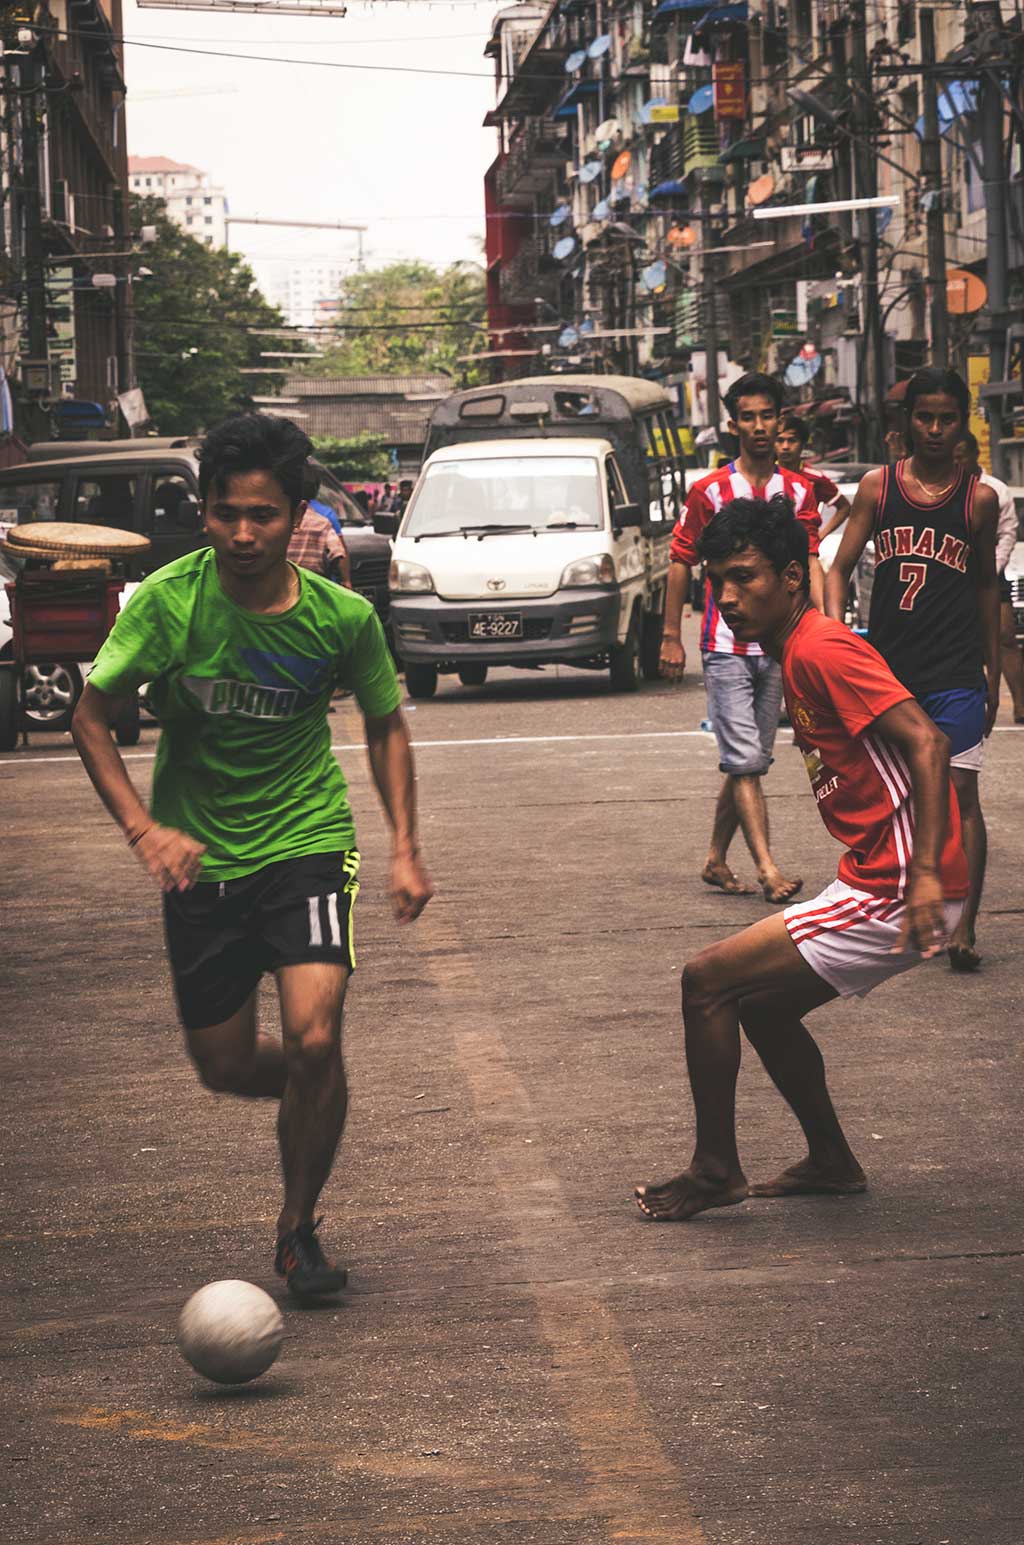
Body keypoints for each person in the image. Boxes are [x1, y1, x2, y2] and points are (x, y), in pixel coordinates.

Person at [71, 413, 433, 1298]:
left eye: (263, 515)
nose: (242, 533)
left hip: (305, 842)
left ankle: (296, 1227)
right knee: (227, 1067)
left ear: (297, 515)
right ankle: (320, 1091)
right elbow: (89, 717)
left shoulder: (341, 619)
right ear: (204, 512)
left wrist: (404, 848)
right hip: (200, 862)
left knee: (314, 1033)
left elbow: (386, 724)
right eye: (226, 512)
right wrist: (143, 828)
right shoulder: (168, 603)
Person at [636, 495, 967, 1221]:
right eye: (716, 580)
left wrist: (925, 877)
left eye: (744, 577)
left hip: (898, 880)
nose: (726, 596)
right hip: (881, 872)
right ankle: (831, 1159)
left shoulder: (822, 647)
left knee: (706, 982)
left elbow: (929, 742)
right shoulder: (797, 652)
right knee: (761, 1005)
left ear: (792, 578)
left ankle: (716, 1167)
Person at [825, 367, 1000, 973]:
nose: (934, 429)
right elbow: (837, 567)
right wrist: (833, 636)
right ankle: (904, 905)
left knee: (962, 795)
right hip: (891, 674)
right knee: (896, 795)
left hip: (955, 671)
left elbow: (986, 591)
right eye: (924, 417)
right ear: (907, 422)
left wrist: (995, 676)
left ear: (962, 422)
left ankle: (965, 925)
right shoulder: (879, 488)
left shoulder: (978, 499)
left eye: (947, 418)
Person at [659, 371, 824, 904]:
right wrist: (671, 635)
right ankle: (768, 867)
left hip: (780, 646)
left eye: (766, 415)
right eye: (747, 417)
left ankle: (714, 859)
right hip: (725, 647)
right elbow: (681, 560)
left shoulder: (798, 490)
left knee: (747, 758)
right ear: (733, 425)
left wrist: (823, 626)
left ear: (781, 420)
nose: (758, 426)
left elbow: (809, 561)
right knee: (747, 760)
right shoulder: (709, 491)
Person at [955, 431, 1023, 723]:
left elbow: (1008, 533)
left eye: (961, 457)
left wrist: (990, 570)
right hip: (953, 570)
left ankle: (1021, 704)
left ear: (973, 456)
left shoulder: (996, 489)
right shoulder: (946, 485)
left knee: (1006, 636)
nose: (956, 463)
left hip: (991, 571)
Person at [775, 411, 851, 540]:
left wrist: (820, 536)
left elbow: (844, 507)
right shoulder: (764, 474)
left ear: (803, 444)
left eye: (792, 440)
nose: (785, 447)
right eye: (780, 440)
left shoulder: (814, 478)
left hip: (804, 551)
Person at [289, 465, 351, 587]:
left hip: (285, 583)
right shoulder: (323, 521)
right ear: (316, 489)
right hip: (316, 584)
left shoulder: (280, 519)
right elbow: (338, 553)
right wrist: (346, 581)